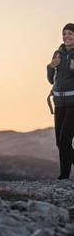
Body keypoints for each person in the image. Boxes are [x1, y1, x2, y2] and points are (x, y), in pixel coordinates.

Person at [47, 23, 74, 179]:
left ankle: (63, 177)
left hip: (73, 104)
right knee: (59, 142)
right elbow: (51, 80)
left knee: (65, 140)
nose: (66, 37)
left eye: (70, 33)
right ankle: (64, 176)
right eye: (64, 34)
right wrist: (51, 66)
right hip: (59, 103)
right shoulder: (58, 53)